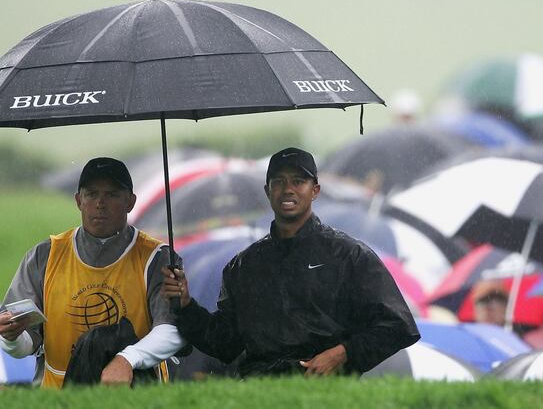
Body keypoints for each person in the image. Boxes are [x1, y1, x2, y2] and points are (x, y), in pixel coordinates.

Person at [162, 147, 419, 377]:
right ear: (268, 190)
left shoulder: (349, 256)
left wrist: (342, 353)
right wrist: (186, 306)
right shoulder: (244, 266)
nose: (288, 189)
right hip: (261, 394)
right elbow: (224, 343)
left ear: (315, 190)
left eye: (299, 181)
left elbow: (398, 325)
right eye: (279, 182)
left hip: (326, 395)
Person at [0, 157, 186, 388]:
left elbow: (173, 330)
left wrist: (127, 359)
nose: (100, 203)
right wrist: (11, 337)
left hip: (135, 392)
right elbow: (25, 344)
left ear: (130, 202)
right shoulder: (44, 256)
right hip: (56, 395)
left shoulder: (157, 258)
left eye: (112, 194)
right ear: (79, 200)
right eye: (91, 194)